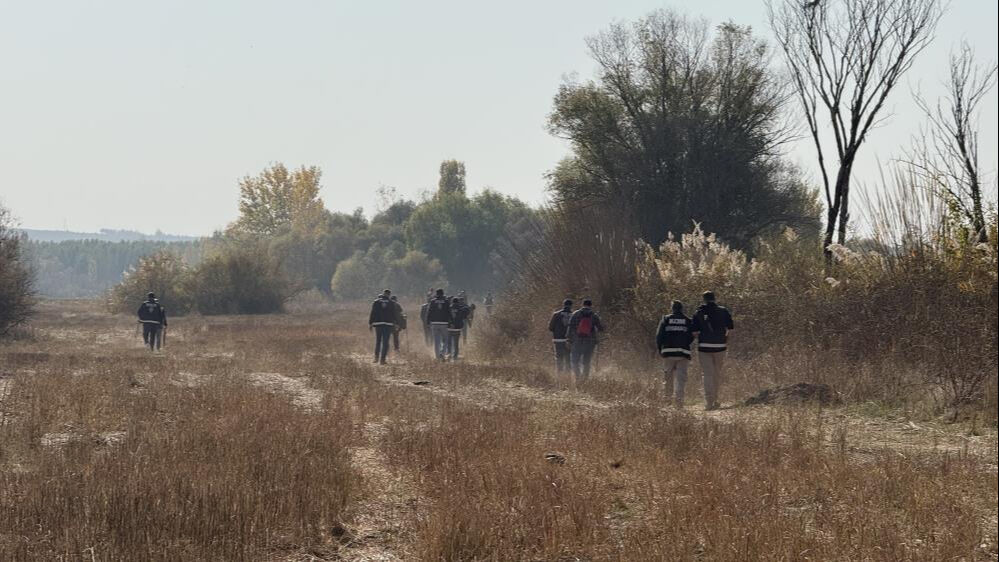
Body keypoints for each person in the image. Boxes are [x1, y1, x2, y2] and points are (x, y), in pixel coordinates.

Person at [692, 291, 734, 410]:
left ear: (704, 299)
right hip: (720, 347)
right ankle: (716, 399)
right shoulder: (723, 311)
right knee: (716, 374)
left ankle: (709, 401)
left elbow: (694, 332)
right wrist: (725, 339)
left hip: (704, 347)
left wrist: (701, 337)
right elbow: (730, 329)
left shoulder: (698, 312)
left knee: (707, 374)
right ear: (715, 299)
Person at [656, 300, 694, 407]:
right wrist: (686, 343)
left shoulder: (665, 319)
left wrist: (660, 349)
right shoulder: (688, 320)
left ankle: (667, 401)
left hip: (668, 353)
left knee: (668, 378)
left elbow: (659, 336)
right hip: (683, 353)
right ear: (682, 309)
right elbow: (692, 336)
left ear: (672, 308)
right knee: (681, 379)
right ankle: (679, 403)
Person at [566, 298, 603, 383]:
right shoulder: (594, 315)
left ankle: (577, 377)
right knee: (586, 361)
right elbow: (600, 328)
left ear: (582, 305)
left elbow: (570, 327)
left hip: (577, 341)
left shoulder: (575, 314)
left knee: (575, 360)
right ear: (591, 305)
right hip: (590, 342)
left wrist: (568, 339)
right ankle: (585, 379)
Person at [368, 289, 397, 364]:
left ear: (383, 294)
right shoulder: (391, 303)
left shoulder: (376, 302)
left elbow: (373, 313)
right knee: (385, 342)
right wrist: (396, 323)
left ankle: (376, 358)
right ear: (389, 294)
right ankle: (382, 360)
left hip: (378, 324)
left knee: (378, 341)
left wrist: (371, 323)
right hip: (388, 324)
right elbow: (394, 314)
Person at [548, 299, 574, 373]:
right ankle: (567, 375)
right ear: (571, 306)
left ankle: (559, 375)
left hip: (558, 340)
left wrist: (557, 332)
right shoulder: (574, 315)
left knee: (559, 357)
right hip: (569, 340)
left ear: (563, 305)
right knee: (568, 358)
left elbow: (550, 328)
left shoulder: (556, 314)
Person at [426, 288, 451, 360]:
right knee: (445, 339)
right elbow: (449, 312)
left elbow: (429, 312)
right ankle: (442, 354)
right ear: (443, 294)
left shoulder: (433, 301)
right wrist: (451, 322)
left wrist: (428, 322)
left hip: (434, 323)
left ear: (436, 294)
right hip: (444, 323)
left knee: (436, 341)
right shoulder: (446, 302)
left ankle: (437, 357)